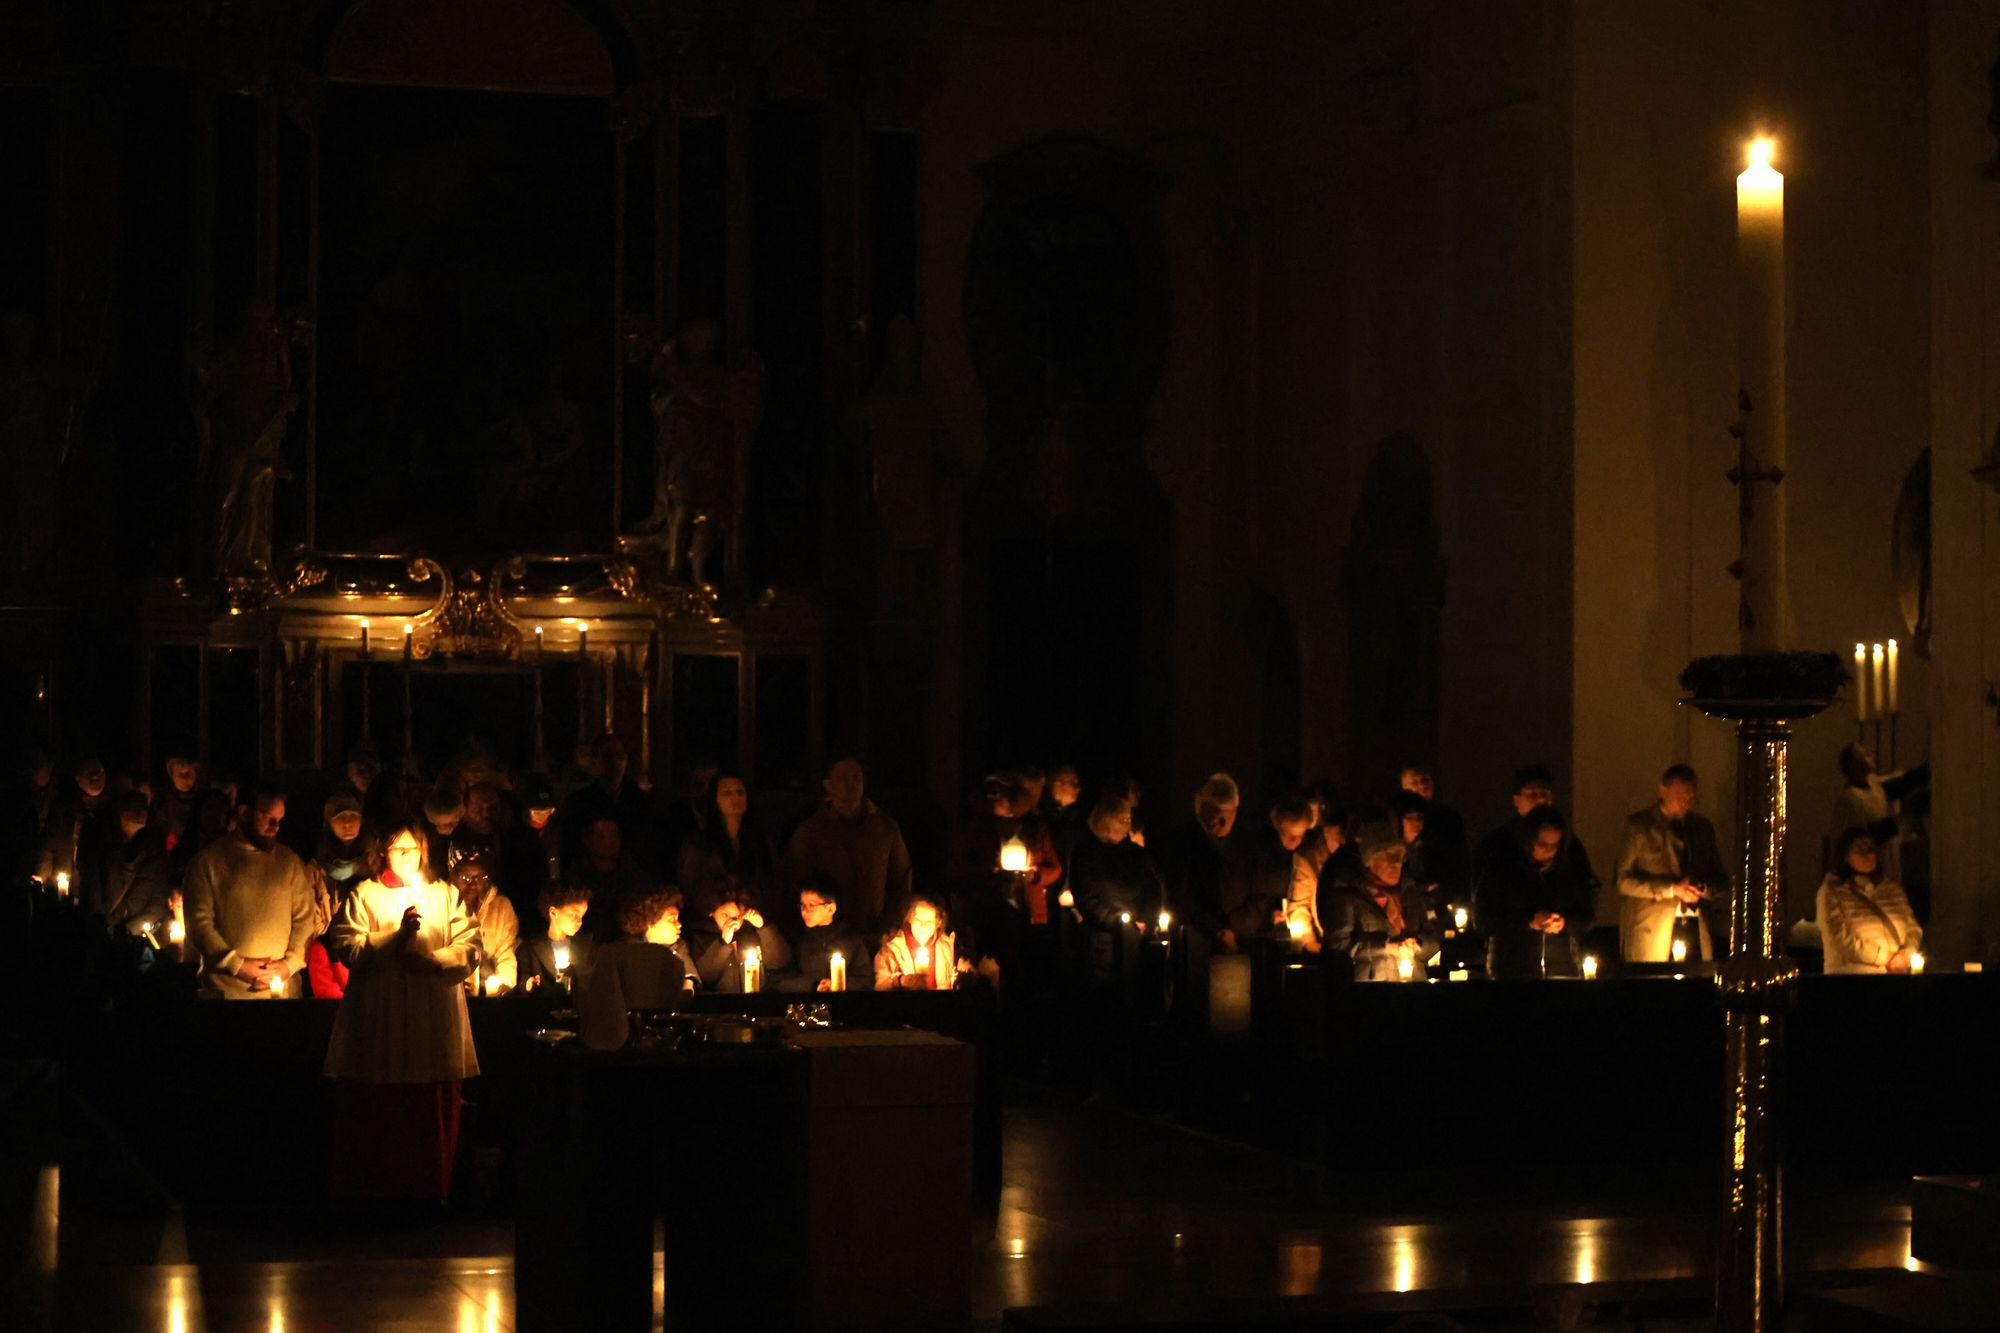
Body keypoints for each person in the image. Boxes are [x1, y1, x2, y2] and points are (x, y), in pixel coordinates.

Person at [323, 823, 479, 1202]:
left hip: (432, 1013)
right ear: (383, 853)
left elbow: (471, 944)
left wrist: (435, 961)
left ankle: (429, 1191)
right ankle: (381, 1193)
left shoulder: (444, 895)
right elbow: (345, 945)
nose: (407, 855)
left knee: (430, 1103)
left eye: (413, 848)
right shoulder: (365, 895)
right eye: (398, 849)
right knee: (383, 1105)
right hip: (383, 1013)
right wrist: (395, 937)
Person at [183, 785, 314, 998]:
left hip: (281, 994)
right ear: (244, 813)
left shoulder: (290, 863)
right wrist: (237, 965)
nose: (275, 827)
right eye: (268, 818)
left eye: (279, 820)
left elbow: (305, 920)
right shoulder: (208, 862)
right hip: (225, 994)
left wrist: (288, 965)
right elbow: (199, 924)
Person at [786, 756, 915, 936]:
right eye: (843, 778)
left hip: (874, 931)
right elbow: (796, 881)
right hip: (828, 935)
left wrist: (890, 924)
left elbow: (901, 879)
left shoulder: (885, 828)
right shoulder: (811, 831)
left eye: (856, 777)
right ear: (829, 785)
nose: (851, 784)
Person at [1616, 764, 1729, 962]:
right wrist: (1671, 889)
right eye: (1680, 796)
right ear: (1663, 790)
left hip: (1696, 929)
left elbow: (1722, 881)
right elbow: (1623, 881)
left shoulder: (1701, 828)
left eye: (1690, 797)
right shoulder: (1640, 827)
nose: (1686, 803)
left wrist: (1702, 889)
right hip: (1652, 932)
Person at [1476, 805, 1596, 979]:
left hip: (1562, 964)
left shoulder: (1568, 871)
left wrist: (1563, 922)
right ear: (1528, 840)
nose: (1548, 851)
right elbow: (1484, 920)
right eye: (1542, 844)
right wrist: (1529, 921)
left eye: (1554, 846)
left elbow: (1587, 916)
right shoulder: (1502, 869)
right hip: (1511, 967)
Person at [1319, 807, 1440, 981]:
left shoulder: (1409, 893)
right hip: (1372, 988)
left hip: (1414, 987)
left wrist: (1419, 944)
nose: (1396, 865)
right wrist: (1385, 947)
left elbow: (1433, 939)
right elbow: (1337, 947)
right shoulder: (1348, 897)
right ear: (1371, 862)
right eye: (1389, 858)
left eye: (1399, 859)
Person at [579, 888, 696, 1049]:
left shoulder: (679, 948)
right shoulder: (620, 953)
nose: (679, 924)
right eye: (672, 919)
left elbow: (688, 980)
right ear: (650, 922)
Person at [1157, 773, 1243, 952]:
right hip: (1195, 940)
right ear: (1201, 809)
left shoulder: (1243, 844)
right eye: (1217, 816)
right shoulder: (1181, 844)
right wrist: (1217, 929)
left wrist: (1234, 926)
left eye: (1229, 816)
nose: (1224, 824)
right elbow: (1180, 897)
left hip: (1238, 936)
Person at [1817, 829, 1923, 974]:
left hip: (1894, 976)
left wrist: (1907, 953)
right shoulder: (1831, 891)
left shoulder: (1892, 890)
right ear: (1845, 856)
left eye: (1870, 849)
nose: (1867, 854)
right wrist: (1884, 958)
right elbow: (1838, 937)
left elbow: (1912, 928)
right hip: (1852, 976)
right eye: (1860, 849)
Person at [676, 770, 778, 918]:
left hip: (753, 920)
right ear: (715, 800)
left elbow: (771, 884)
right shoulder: (698, 845)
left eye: (740, 792)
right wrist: (717, 911)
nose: (735, 798)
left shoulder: (761, 842)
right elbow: (691, 888)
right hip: (712, 922)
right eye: (727, 793)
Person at [560, 734, 663, 877]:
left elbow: (652, 848)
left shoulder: (644, 802)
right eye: (607, 756)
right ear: (595, 761)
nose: (615, 762)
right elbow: (569, 850)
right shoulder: (577, 803)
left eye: (620, 756)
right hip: (591, 879)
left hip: (633, 879)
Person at [1219, 795, 1313, 944]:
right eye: (1289, 836)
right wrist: (1267, 917)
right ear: (1278, 828)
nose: (1296, 841)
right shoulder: (1253, 857)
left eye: (1301, 835)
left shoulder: (1303, 856)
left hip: (1287, 938)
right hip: (1255, 940)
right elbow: (1231, 908)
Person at [1069, 796, 1167, 930]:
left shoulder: (1137, 853)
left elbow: (1155, 883)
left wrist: (1149, 917)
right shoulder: (1087, 854)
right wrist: (1119, 922)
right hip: (1104, 934)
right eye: (1122, 819)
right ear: (1105, 820)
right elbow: (1088, 898)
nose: (1127, 824)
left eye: (1129, 819)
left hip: (1141, 930)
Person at [686, 891, 795, 992]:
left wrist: (764, 928)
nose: (732, 922)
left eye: (737, 916)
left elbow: (780, 962)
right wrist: (723, 943)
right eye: (725, 915)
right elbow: (705, 977)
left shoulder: (750, 932)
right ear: (711, 912)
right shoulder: (701, 935)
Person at [571, 815, 655, 942]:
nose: (610, 841)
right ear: (588, 841)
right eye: (601, 837)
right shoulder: (576, 881)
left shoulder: (635, 875)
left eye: (614, 835)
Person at [102, 791, 172, 937]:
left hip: (135, 933)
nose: (140, 814)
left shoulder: (155, 851)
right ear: (120, 812)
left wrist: (129, 930)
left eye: (144, 809)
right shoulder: (104, 847)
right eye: (134, 808)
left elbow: (160, 900)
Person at [1830, 743, 1902, 884]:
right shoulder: (1850, 799)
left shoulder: (1874, 785)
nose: (1871, 756)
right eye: (1865, 755)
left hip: (1885, 864)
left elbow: (1898, 783)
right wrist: (1896, 822)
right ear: (1854, 765)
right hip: (1866, 872)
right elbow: (1864, 837)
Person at [782, 877, 870, 992]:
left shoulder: (850, 938)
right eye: (802, 905)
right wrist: (814, 985)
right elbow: (782, 976)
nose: (804, 911)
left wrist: (837, 984)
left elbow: (864, 978)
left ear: (830, 909)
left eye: (811, 905)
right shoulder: (797, 937)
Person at [1399, 765, 1469, 905]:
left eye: (1425, 780)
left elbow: (1460, 858)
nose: (1422, 786)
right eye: (1414, 782)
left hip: (1445, 893)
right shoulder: (1395, 818)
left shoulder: (1448, 818)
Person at [451, 852, 520, 994]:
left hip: (490, 992)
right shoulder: (443, 906)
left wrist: (504, 984)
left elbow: (506, 953)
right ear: (453, 877)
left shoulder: (501, 908)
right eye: (466, 877)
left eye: (480, 877)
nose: (473, 884)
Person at [873, 895, 972, 990]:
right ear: (910, 919)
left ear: (938, 923)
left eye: (929, 922)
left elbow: (958, 973)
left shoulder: (947, 948)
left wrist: (965, 973)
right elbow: (880, 986)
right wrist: (901, 980)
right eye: (918, 920)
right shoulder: (892, 951)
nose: (923, 926)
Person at [1286, 801, 1347, 946]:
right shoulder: (1309, 860)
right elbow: (1299, 907)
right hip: (1326, 938)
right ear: (1326, 834)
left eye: (1344, 840)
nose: (1341, 845)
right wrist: (1309, 941)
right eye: (1335, 840)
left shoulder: (1359, 857)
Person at [520, 880, 595, 992]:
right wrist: (528, 984)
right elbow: (523, 978)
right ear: (553, 913)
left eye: (582, 915)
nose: (579, 921)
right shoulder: (529, 949)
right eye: (573, 914)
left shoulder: (587, 945)